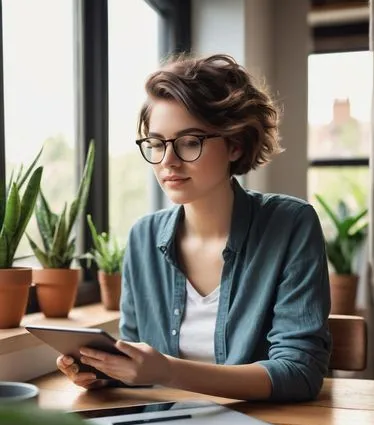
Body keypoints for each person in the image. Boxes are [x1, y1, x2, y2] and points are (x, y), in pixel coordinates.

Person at [57, 53, 331, 402]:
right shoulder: (143, 237)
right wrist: (106, 373)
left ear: (236, 143)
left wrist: (168, 371)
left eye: (189, 142)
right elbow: (140, 369)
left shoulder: (291, 224)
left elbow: (299, 373)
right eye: (156, 143)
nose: (168, 161)